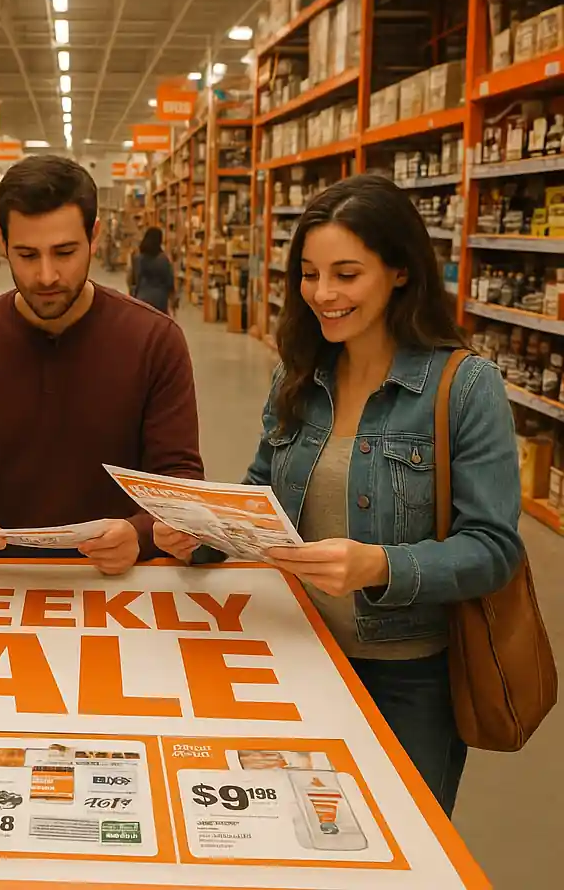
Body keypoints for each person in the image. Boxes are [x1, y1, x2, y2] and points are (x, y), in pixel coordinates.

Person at [154, 174, 523, 816]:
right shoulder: (299, 376)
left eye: (346, 274)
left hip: (408, 679)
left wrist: (379, 566)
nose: (323, 294)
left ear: (400, 271)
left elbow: (494, 550)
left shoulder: (465, 388)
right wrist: (204, 532)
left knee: (400, 837)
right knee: (298, 834)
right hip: (297, 654)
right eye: (309, 274)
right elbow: (263, 490)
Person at [0, 154, 204, 574]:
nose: (46, 276)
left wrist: (141, 535)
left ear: (94, 236)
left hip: (122, 579)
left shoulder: (156, 341)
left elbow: (179, 475)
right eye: (27, 254)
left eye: (64, 252)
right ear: (1, 240)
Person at [128, 226, 176, 314]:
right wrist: (173, 302)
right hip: (159, 301)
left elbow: (131, 279)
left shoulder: (138, 258)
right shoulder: (163, 260)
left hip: (141, 298)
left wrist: (132, 294)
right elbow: (169, 282)